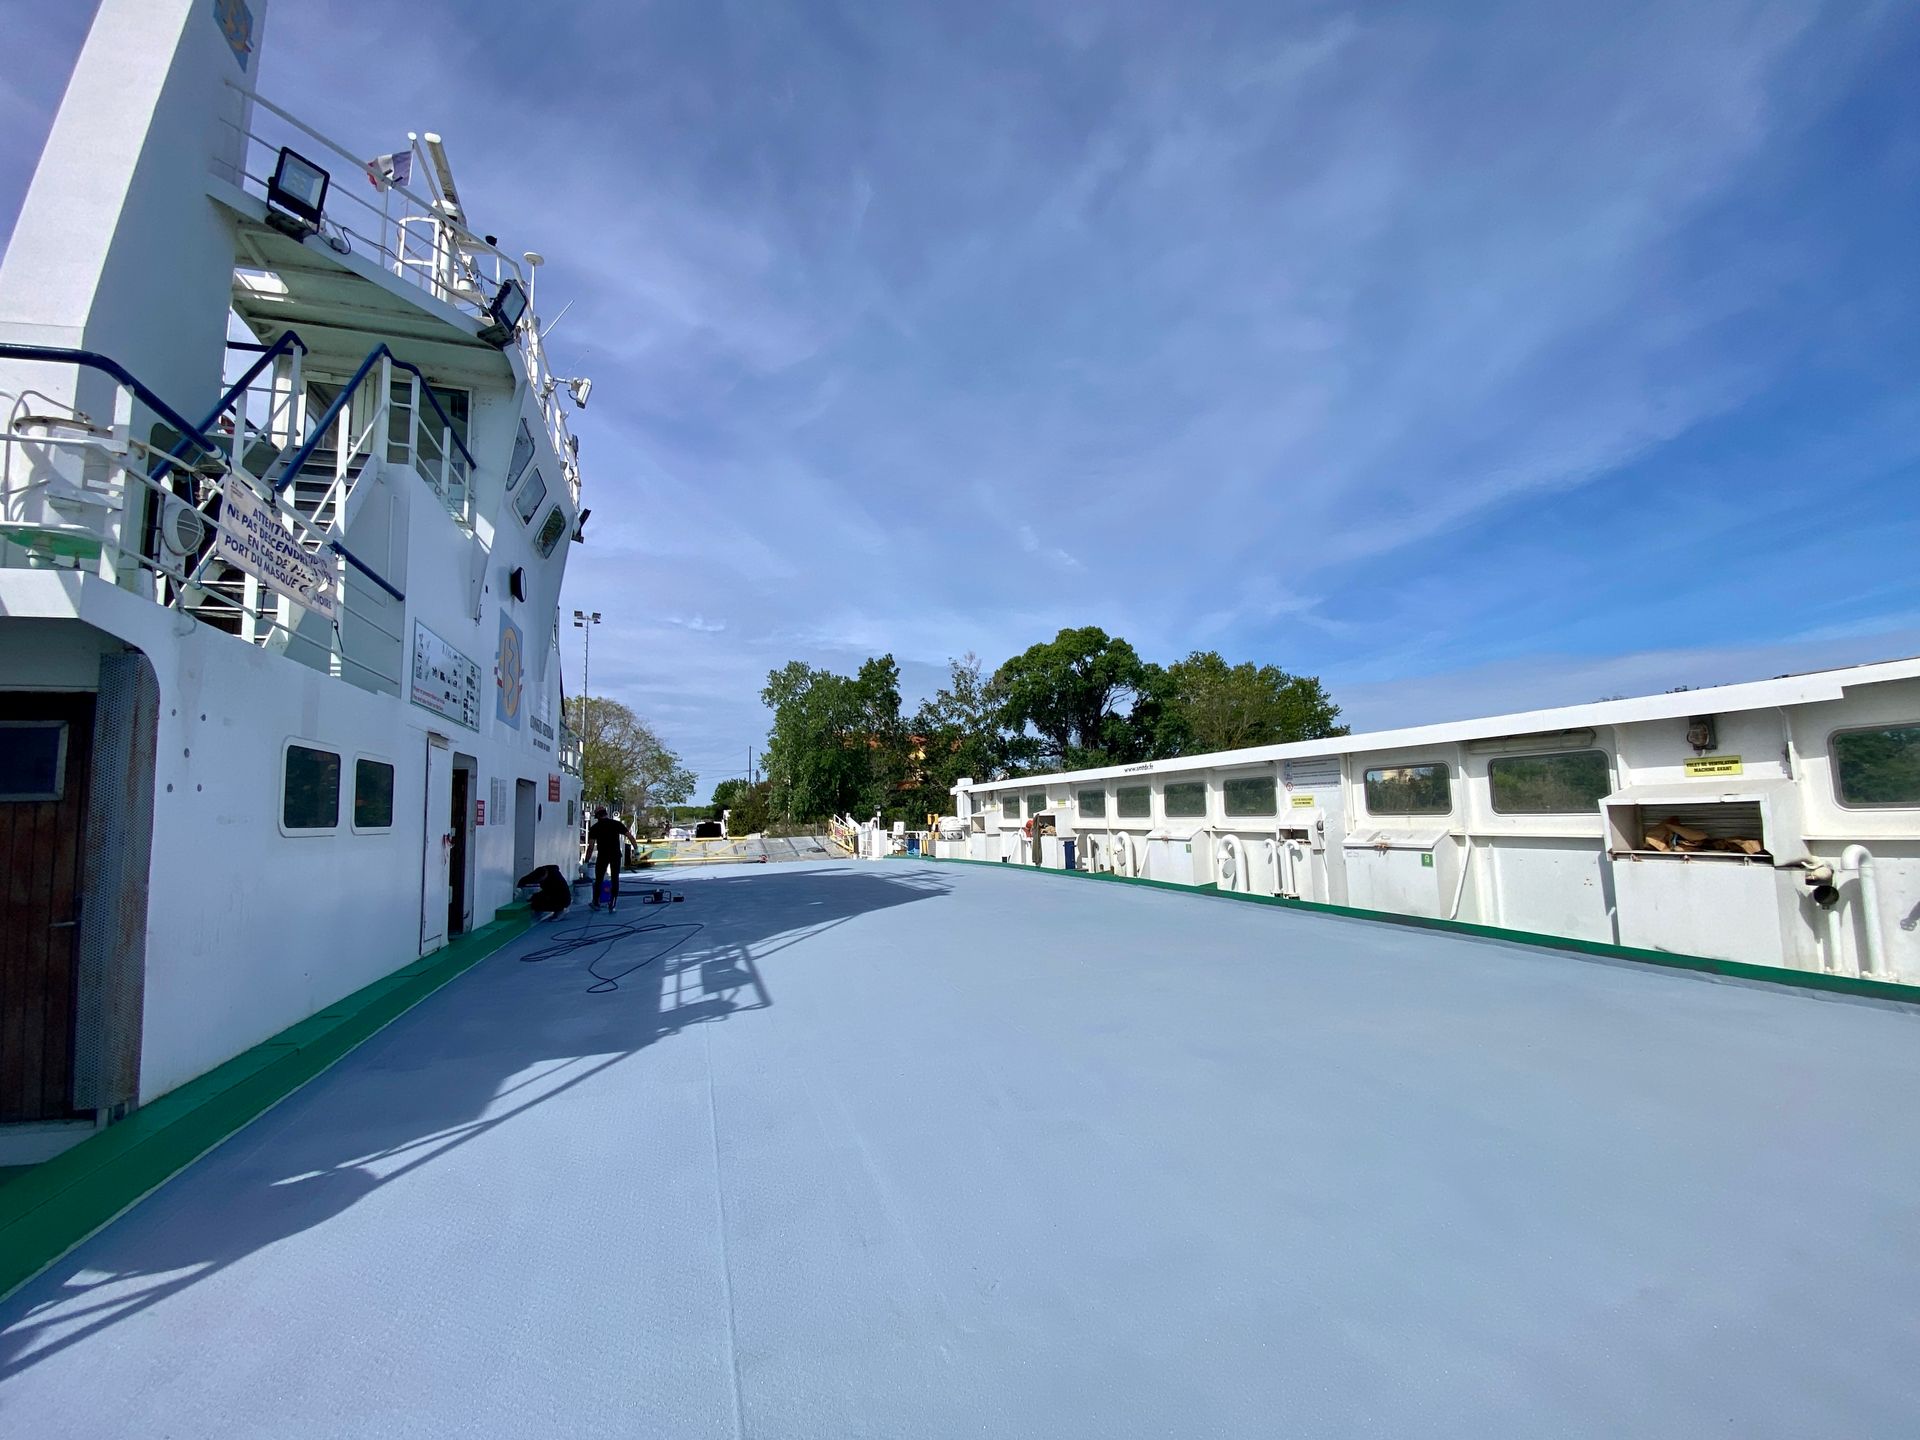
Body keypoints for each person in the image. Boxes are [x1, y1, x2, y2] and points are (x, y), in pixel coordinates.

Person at [586, 806, 633, 912]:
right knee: (615, 878)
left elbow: (590, 847)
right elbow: (630, 836)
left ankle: (596, 902)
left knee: (599, 879)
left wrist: (586, 861)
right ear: (606, 813)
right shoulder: (616, 824)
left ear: (597, 816)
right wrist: (636, 849)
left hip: (603, 856)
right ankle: (612, 903)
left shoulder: (595, 828)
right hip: (616, 855)